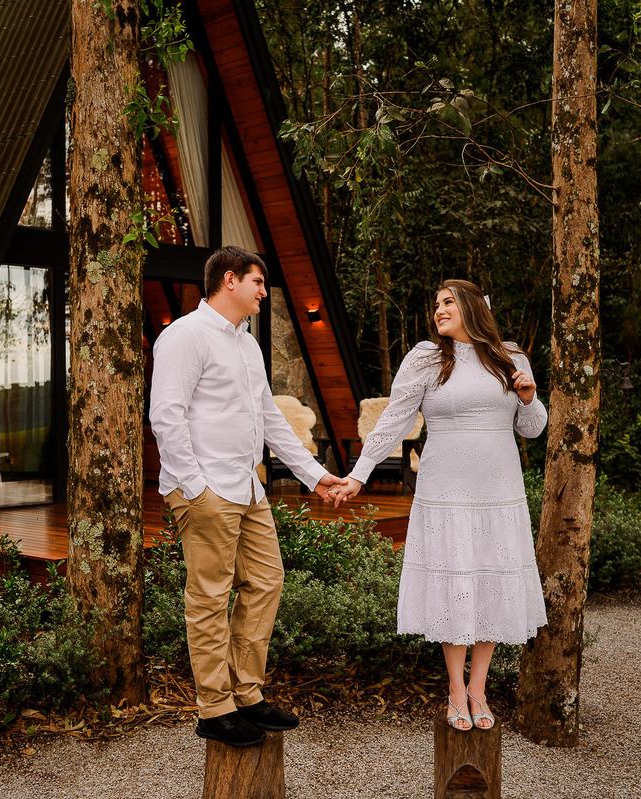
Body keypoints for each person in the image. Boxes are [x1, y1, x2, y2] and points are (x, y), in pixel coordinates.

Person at [329, 278, 548, 731]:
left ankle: (478, 689)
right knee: (456, 583)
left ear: (471, 308)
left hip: (497, 490)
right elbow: (394, 420)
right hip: (445, 489)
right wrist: (359, 474)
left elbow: (532, 428)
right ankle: (454, 689)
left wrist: (529, 397)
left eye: (449, 302)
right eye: (436, 304)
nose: (439, 309)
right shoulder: (426, 359)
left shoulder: (510, 357)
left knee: (490, 580)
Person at [149, 246, 346, 747]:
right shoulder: (184, 337)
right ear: (229, 280)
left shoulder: (248, 346)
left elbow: (270, 420)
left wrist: (315, 476)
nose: (264, 291)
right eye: (258, 282)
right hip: (206, 488)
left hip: (248, 485)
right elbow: (165, 416)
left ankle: (247, 695)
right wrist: (195, 486)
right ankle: (214, 709)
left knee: (266, 581)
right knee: (210, 598)